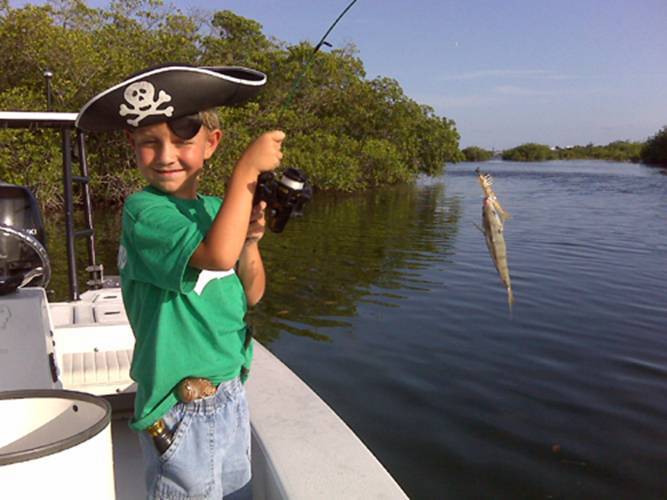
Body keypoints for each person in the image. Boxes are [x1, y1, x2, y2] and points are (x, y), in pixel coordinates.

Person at [76, 64, 281, 498]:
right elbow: (216, 254)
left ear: (211, 144)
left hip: (230, 395)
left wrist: (251, 242)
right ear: (132, 146)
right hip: (182, 410)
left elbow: (252, 293)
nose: (166, 155)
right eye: (150, 143)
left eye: (181, 139)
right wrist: (246, 171)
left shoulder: (216, 211)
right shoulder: (144, 212)